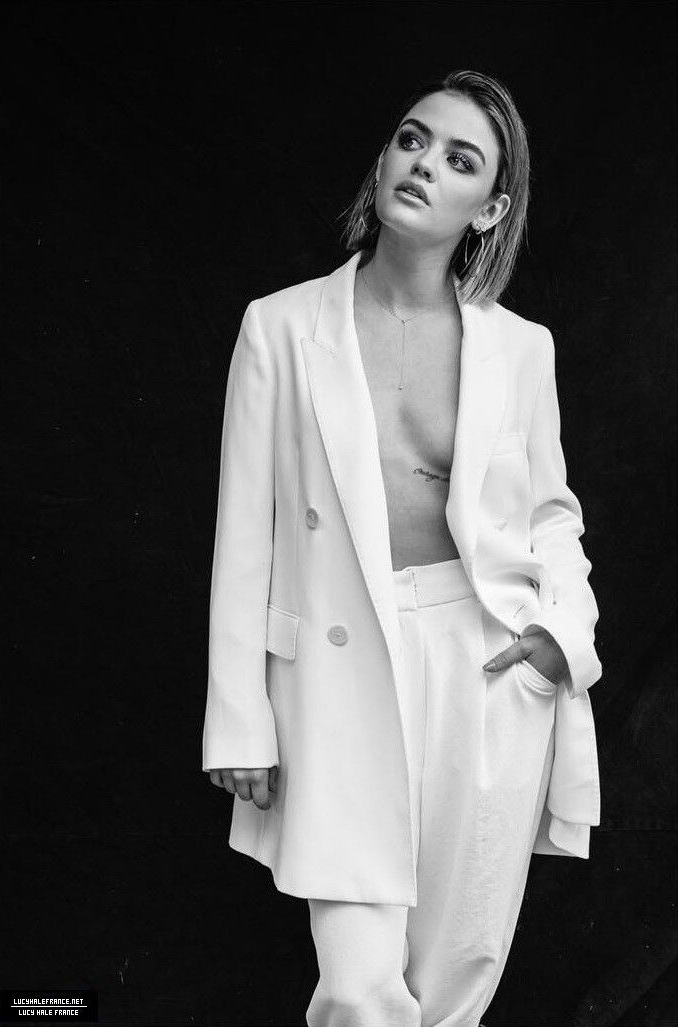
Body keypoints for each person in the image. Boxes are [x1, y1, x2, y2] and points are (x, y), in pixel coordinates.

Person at [202, 69, 602, 1027]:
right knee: (357, 985)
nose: (423, 164)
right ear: (385, 156)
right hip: (335, 664)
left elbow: (550, 514)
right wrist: (238, 717)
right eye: (413, 139)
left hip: (483, 659)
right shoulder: (280, 327)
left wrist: (561, 637)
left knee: (457, 976)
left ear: (489, 208)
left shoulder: (522, 348)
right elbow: (244, 531)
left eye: (460, 160)